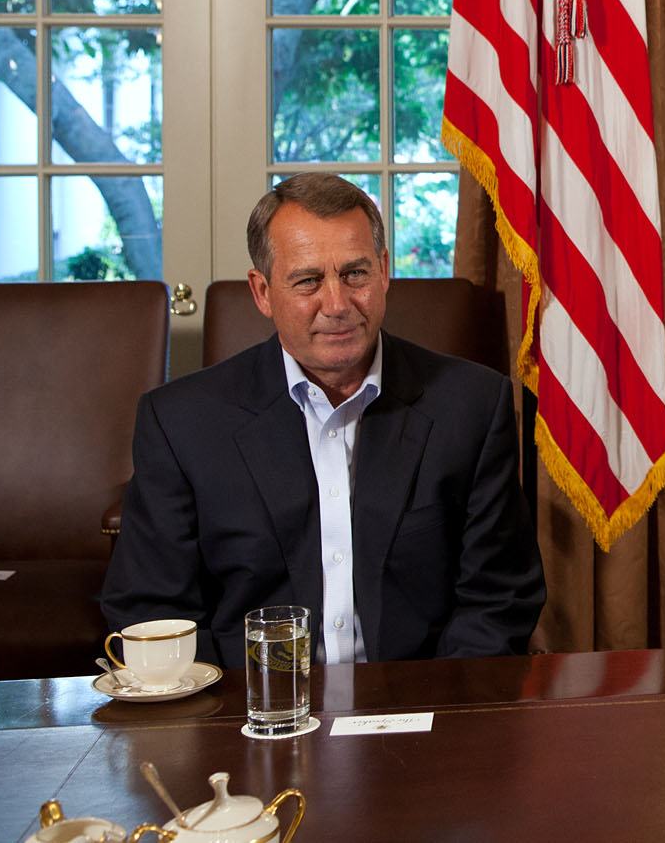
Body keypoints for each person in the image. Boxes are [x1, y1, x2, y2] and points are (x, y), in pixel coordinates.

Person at [102, 173, 544, 667]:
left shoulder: (472, 406)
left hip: (420, 712)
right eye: (308, 281)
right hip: (248, 715)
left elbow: (498, 601)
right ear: (263, 292)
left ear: (383, 272)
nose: (337, 305)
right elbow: (150, 612)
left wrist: (436, 714)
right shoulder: (180, 424)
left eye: (355, 274)